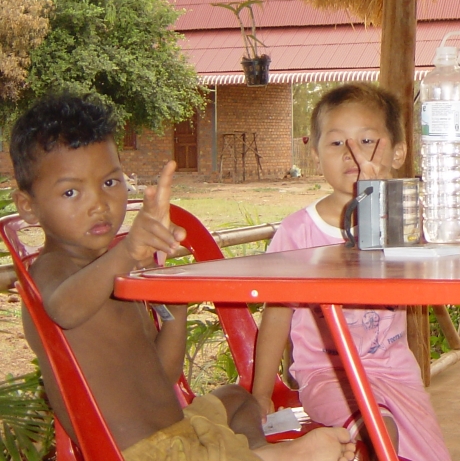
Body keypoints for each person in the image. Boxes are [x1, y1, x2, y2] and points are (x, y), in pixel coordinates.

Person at [10, 93, 354, 461]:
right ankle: (279, 458)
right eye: (71, 191)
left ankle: (249, 453)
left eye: (110, 183)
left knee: (238, 401)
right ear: (28, 207)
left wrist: (175, 306)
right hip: (141, 454)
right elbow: (62, 309)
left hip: (178, 432)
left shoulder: (114, 267)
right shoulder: (51, 270)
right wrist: (127, 252)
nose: (98, 203)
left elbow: (163, 372)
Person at [253, 83, 450, 461]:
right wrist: (262, 392)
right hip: (328, 373)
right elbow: (277, 313)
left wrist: (380, 205)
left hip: (396, 372)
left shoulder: (405, 224)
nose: (352, 154)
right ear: (315, 154)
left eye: (366, 141)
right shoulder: (297, 232)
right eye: (336, 143)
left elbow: (431, 276)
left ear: (397, 153)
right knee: (378, 429)